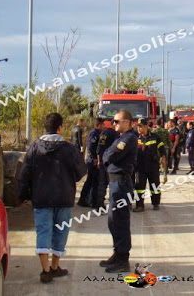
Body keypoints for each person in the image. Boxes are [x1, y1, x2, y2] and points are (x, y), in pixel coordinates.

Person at [19, 113, 87, 283]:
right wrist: (70, 180)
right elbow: (81, 171)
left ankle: (45, 270)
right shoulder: (70, 149)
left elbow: (24, 174)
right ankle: (55, 268)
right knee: (60, 231)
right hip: (64, 198)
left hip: (41, 199)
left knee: (43, 231)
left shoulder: (34, 148)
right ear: (60, 127)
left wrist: (24, 195)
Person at [100, 110, 138, 273]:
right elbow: (106, 154)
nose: (113, 124)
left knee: (120, 221)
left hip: (122, 184)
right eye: (113, 121)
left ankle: (123, 259)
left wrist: (107, 156)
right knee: (113, 221)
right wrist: (107, 155)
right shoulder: (121, 138)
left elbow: (110, 155)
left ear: (127, 122)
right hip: (116, 183)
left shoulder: (128, 138)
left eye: (116, 121)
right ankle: (117, 253)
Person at [133, 118, 166, 212]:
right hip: (140, 166)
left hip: (153, 165)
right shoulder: (135, 137)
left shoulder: (155, 137)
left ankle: (156, 204)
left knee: (155, 185)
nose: (139, 128)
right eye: (138, 127)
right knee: (139, 187)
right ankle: (139, 205)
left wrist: (163, 158)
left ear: (146, 126)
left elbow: (162, 148)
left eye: (141, 126)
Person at [78, 118, 106, 207]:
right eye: (103, 125)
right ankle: (93, 202)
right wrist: (95, 159)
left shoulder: (97, 133)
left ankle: (84, 200)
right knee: (94, 181)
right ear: (99, 125)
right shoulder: (94, 133)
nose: (104, 126)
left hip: (92, 160)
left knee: (90, 181)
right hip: (92, 161)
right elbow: (91, 147)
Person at [96, 119, 119, 209]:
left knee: (102, 183)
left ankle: (99, 204)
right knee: (112, 183)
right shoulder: (114, 134)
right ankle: (113, 205)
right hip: (111, 162)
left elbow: (98, 148)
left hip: (102, 161)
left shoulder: (102, 133)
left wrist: (98, 161)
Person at [152, 118, 170, 183]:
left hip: (156, 149)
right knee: (164, 162)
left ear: (156, 123)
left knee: (156, 163)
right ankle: (165, 175)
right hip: (165, 148)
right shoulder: (165, 131)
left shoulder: (153, 131)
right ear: (161, 123)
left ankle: (157, 176)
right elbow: (169, 141)